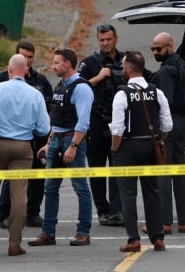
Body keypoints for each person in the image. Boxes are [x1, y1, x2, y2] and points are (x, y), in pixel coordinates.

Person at [0, 54, 51, 257]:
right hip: (24, 147)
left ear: (9, 70)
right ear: (25, 70)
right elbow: (43, 128)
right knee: (19, 196)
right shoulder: (35, 94)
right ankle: (14, 244)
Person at [29, 48, 94, 248]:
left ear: (67, 64)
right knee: (50, 187)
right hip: (57, 139)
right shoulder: (61, 86)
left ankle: (83, 232)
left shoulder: (81, 88)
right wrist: (49, 142)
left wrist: (73, 146)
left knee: (80, 187)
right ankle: (48, 232)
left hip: (71, 140)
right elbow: (55, 118)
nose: (53, 66)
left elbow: (83, 123)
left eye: (57, 63)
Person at [0, 41, 53, 230]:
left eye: (30, 57)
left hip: (36, 138)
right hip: (11, 136)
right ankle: (5, 215)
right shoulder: (0, 79)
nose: (27, 60)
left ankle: (32, 213)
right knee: (11, 180)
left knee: (37, 178)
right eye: (23, 56)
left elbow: (50, 108)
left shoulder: (40, 81)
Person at [110, 51, 173, 253]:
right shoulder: (156, 92)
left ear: (128, 70)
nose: (121, 70)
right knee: (152, 193)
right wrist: (159, 141)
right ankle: (158, 237)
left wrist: (115, 148)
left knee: (127, 195)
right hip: (151, 146)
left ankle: (133, 239)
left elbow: (118, 128)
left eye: (122, 66)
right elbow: (167, 124)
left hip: (128, 147)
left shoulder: (122, 94)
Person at [77, 24, 125, 226]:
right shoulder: (90, 63)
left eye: (109, 39)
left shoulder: (125, 59)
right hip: (96, 122)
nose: (105, 43)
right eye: (102, 39)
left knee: (118, 169)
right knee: (97, 170)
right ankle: (102, 210)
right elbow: (75, 88)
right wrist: (98, 77)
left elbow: (144, 77)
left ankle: (118, 210)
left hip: (118, 123)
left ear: (116, 39)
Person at [145, 32, 185, 235]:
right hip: (183, 123)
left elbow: (164, 102)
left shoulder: (165, 72)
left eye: (159, 48)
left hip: (169, 124)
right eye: (153, 49)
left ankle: (164, 223)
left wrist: (157, 129)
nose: (155, 52)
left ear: (170, 46)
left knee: (163, 173)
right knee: (181, 174)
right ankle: (183, 222)